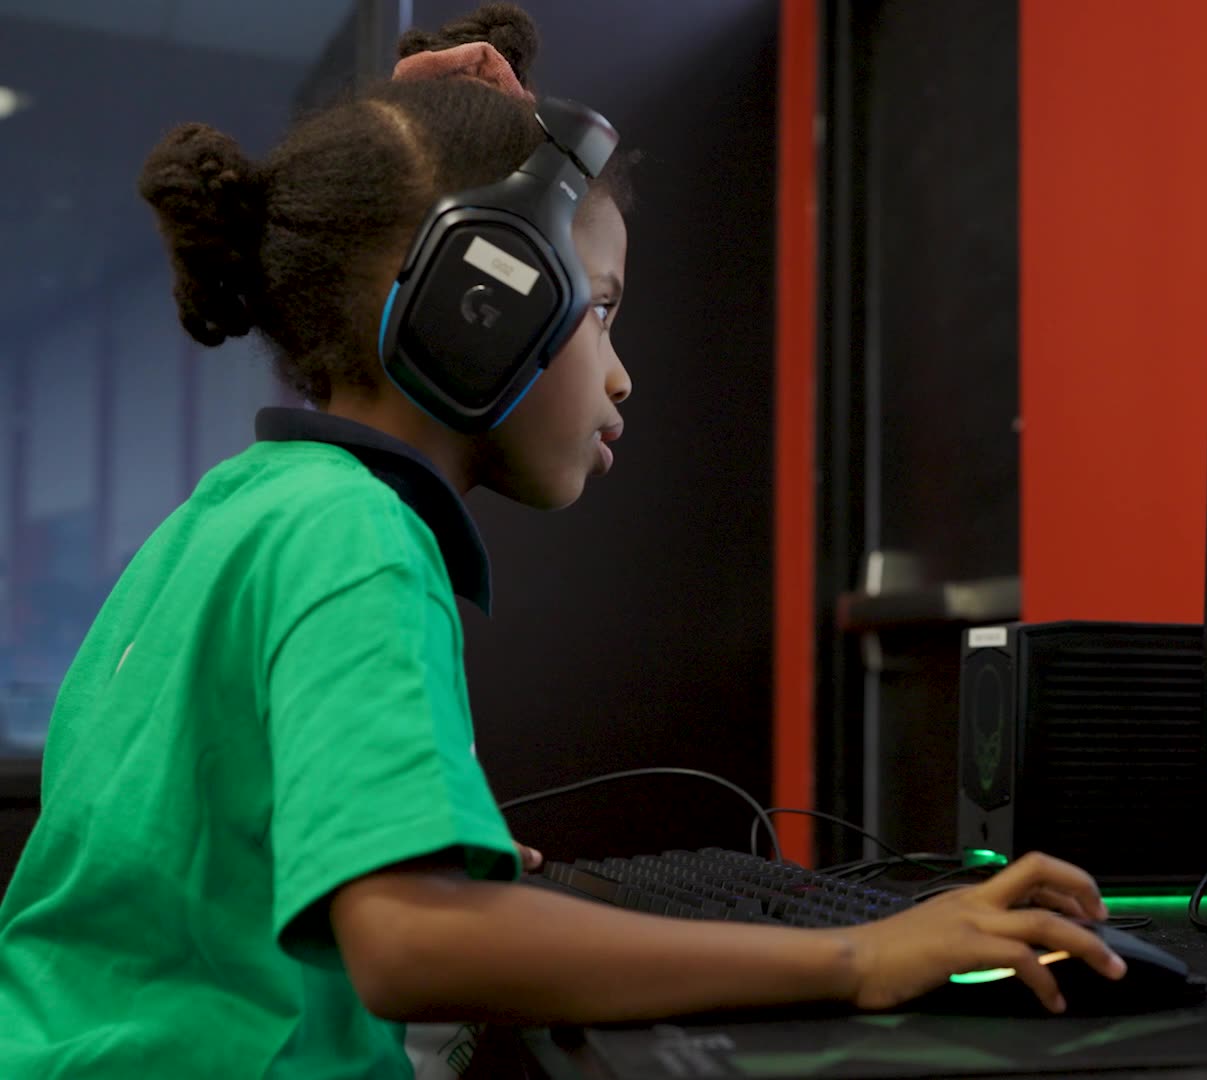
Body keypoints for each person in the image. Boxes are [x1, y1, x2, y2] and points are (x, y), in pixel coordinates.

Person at [0, 6, 1123, 1076]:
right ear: (476, 304)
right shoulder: (357, 538)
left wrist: (432, 858)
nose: (622, 372)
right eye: (601, 308)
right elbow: (411, 946)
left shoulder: (231, 515)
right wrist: (863, 955)